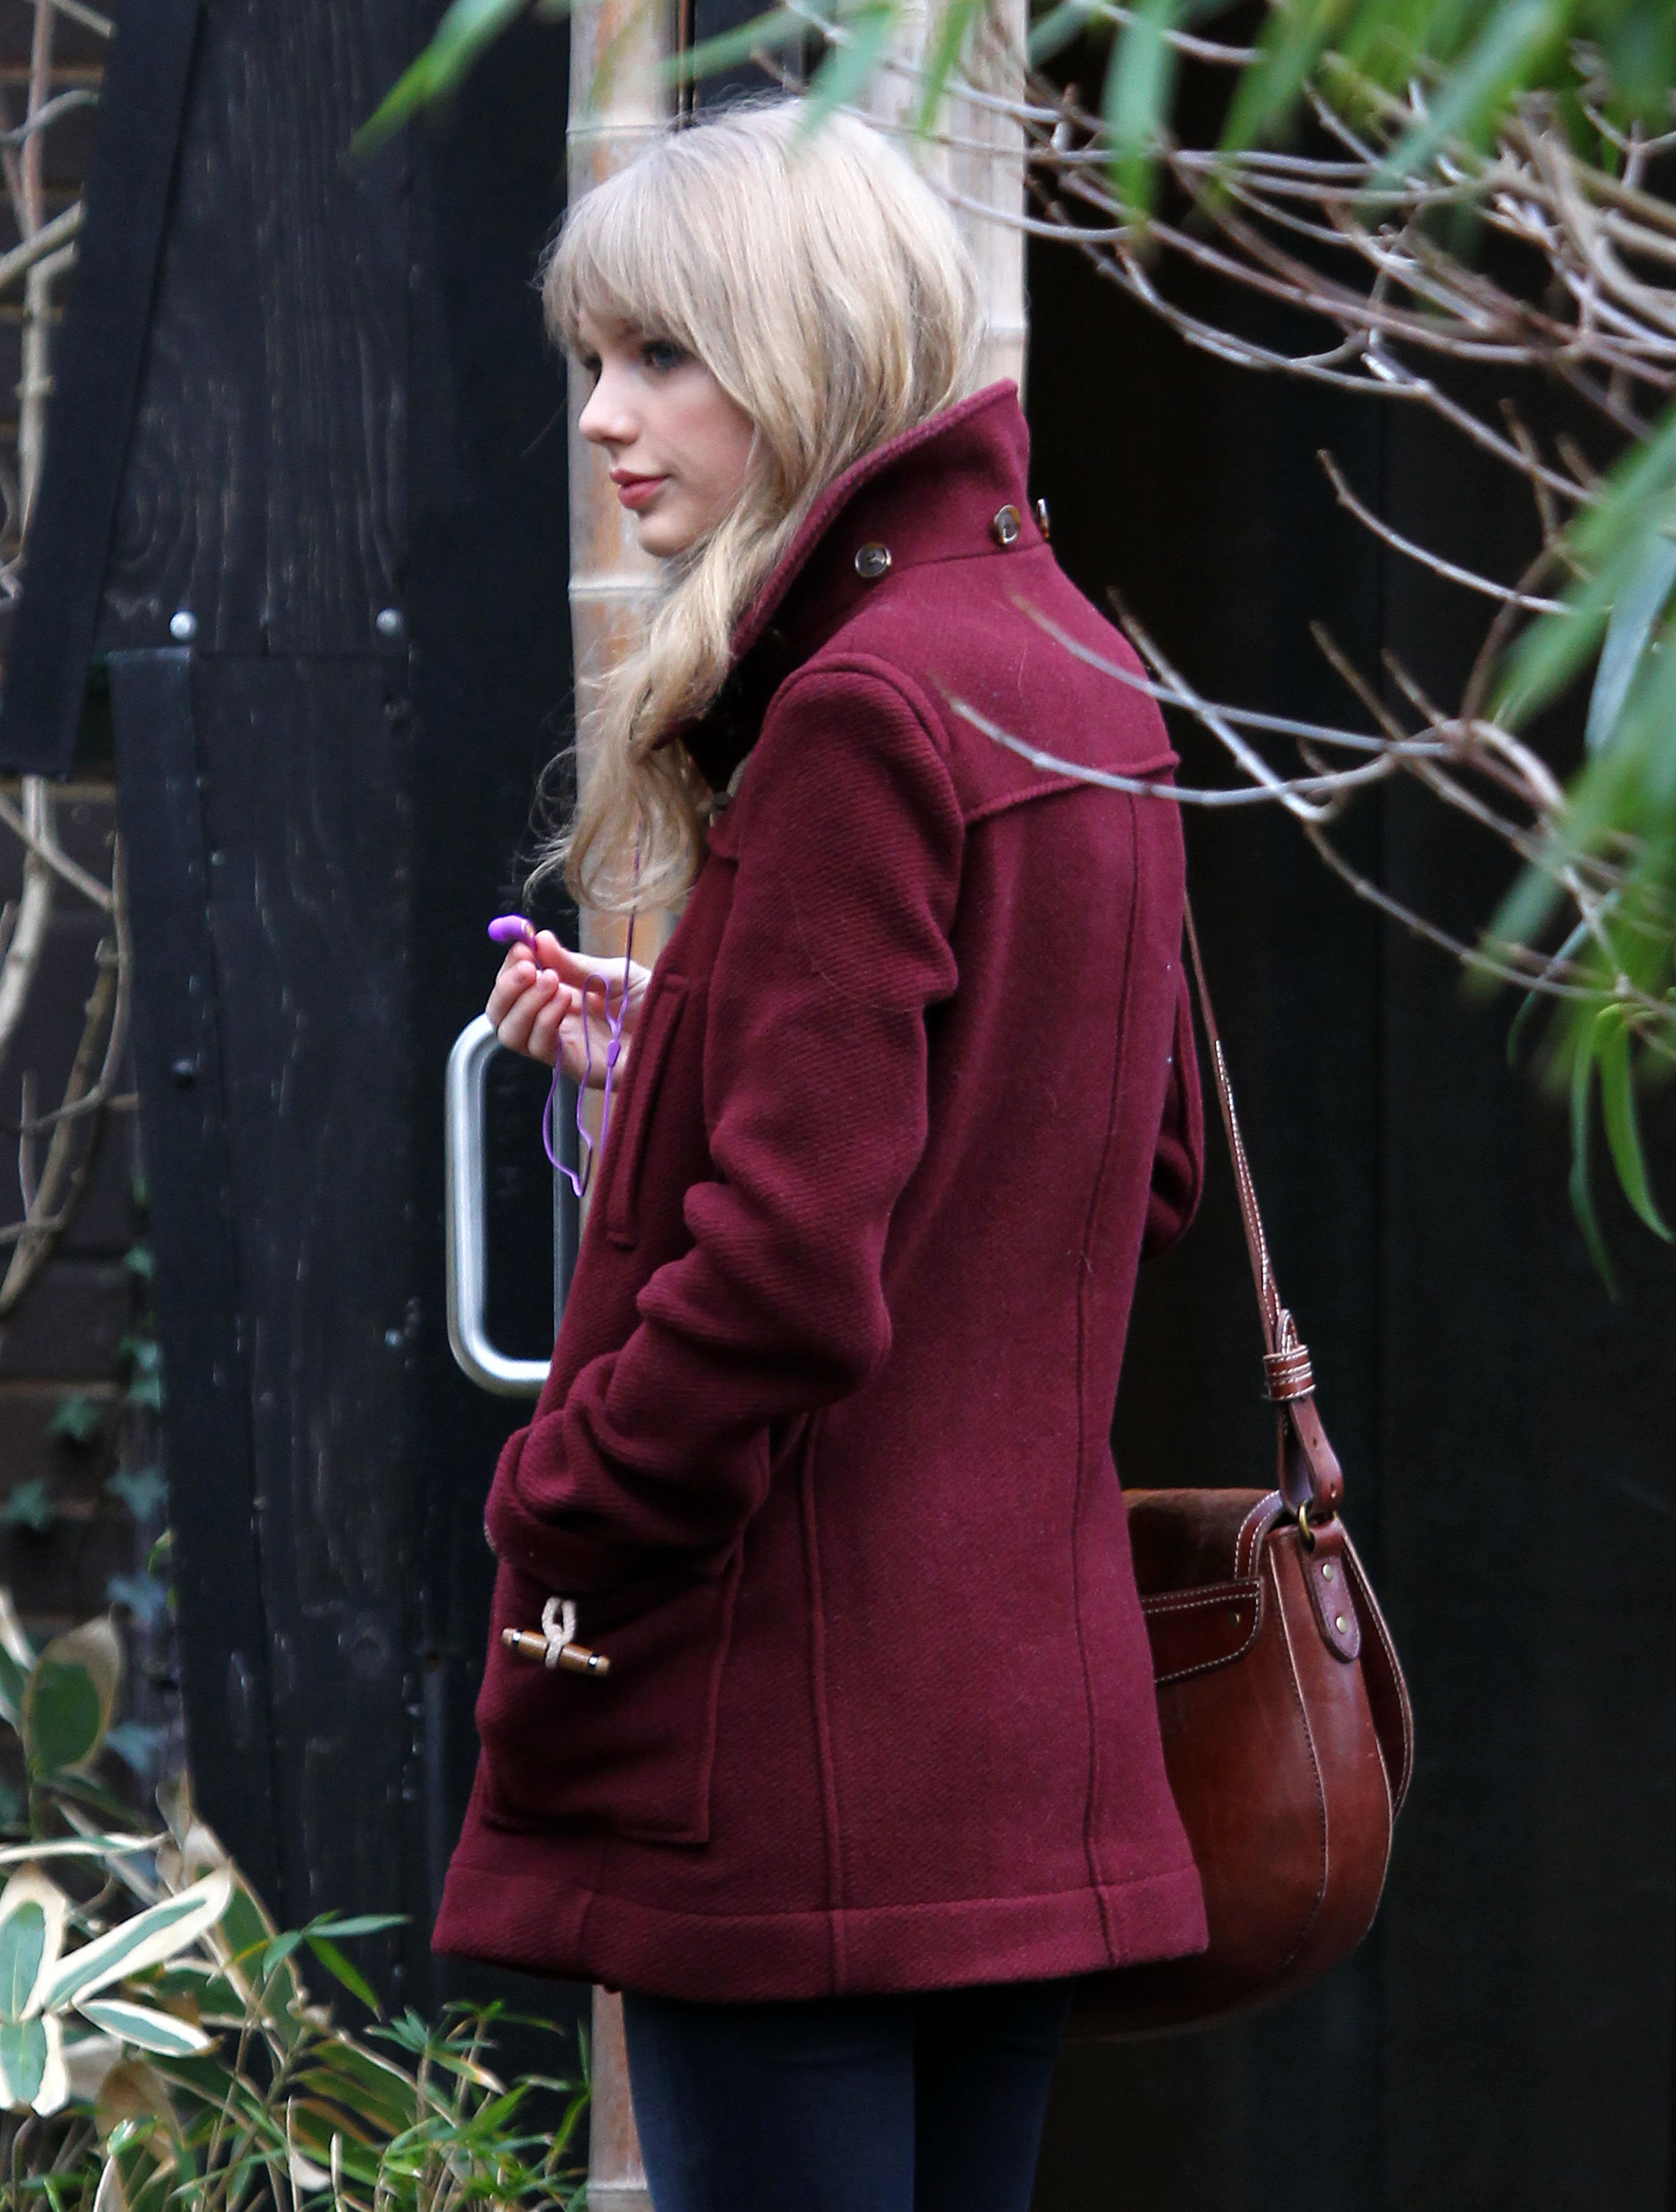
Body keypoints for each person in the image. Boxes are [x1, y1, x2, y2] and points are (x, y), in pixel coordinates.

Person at [433, 98, 1208, 2212]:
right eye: (594, 360)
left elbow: (783, 1277)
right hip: (1016, 1736)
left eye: (665, 354)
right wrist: (682, 1059)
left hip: (796, 1759)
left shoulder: (861, 713)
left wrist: (562, 1499)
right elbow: (1122, 1171)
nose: (607, 418)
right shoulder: (1080, 672)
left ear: (807, 347)